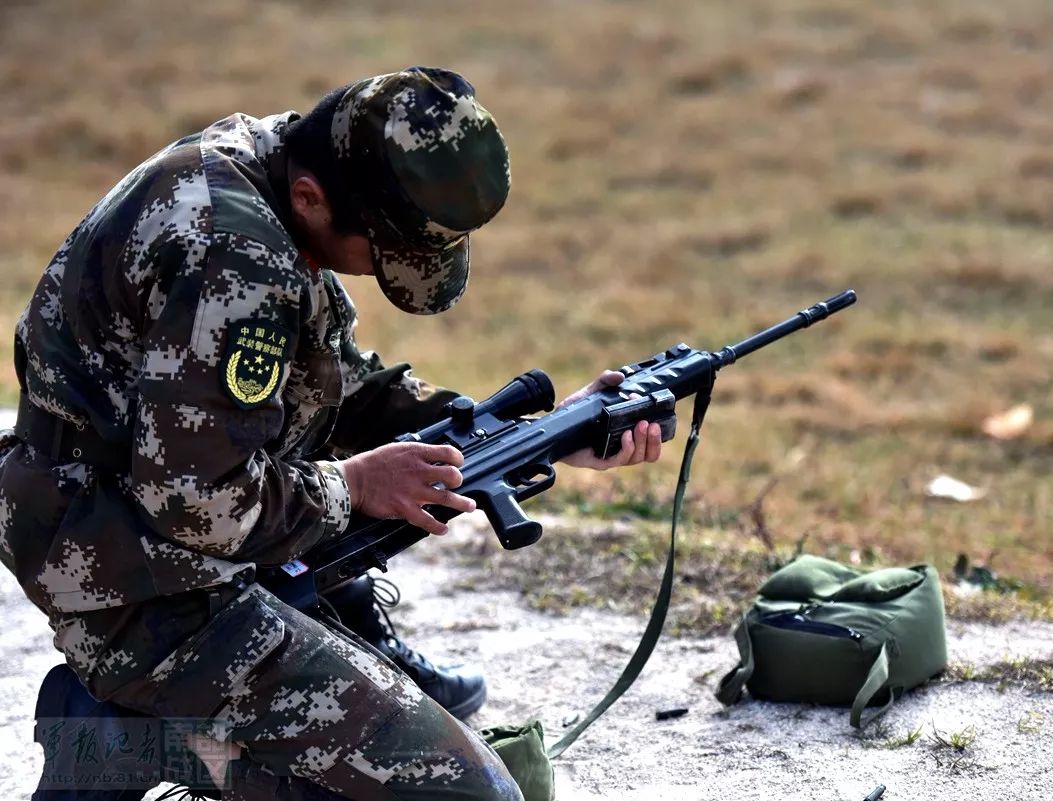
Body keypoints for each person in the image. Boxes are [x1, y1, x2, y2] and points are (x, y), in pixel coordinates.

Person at [1, 67, 663, 800]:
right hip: (137, 575)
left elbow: (341, 390)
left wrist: (544, 431)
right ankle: (119, 738)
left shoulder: (271, 164)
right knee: (468, 795)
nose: (390, 272)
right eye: (387, 251)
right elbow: (197, 500)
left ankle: (313, 636)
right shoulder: (236, 254)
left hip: (148, 528)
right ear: (313, 198)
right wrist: (353, 486)